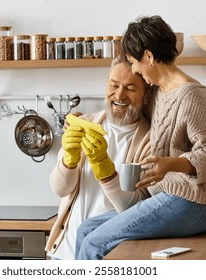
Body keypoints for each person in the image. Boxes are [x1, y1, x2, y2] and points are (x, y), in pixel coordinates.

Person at [75, 15, 206, 260]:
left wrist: (170, 164)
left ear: (148, 56)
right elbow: (124, 105)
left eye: (134, 62)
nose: (134, 69)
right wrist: (80, 120)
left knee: (95, 243)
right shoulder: (158, 93)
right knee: (85, 230)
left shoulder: (193, 96)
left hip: (194, 203)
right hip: (167, 197)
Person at [45, 56, 152, 260]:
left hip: (108, 255)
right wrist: (69, 160)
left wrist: (104, 168)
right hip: (64, 253)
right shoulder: (82, 123)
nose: (119, 94)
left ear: (146, 96)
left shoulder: (151, 142)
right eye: (113, 85)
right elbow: (59, 189)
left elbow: (133, 209)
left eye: (130, 88)